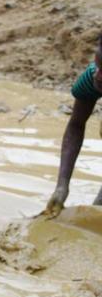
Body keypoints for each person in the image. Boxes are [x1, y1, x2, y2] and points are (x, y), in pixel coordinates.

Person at [46, 34, 102, 215]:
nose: (99, 76)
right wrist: (62, 186)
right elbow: (76, 125)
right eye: (100, 63)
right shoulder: (94, 78)